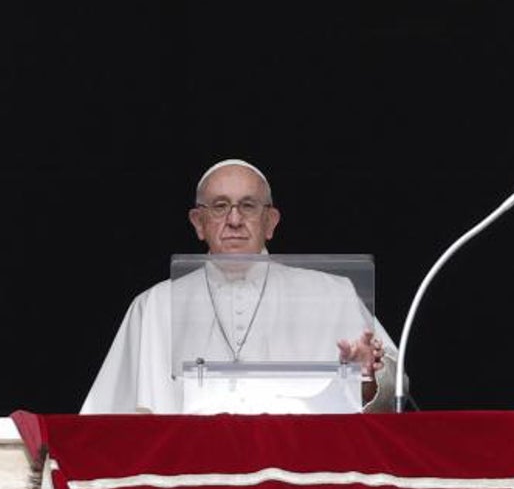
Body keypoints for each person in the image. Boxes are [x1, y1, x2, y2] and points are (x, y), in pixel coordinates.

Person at [81, 159, 399, 414]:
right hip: (195, 474)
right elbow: (108, 419)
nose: (234, 220)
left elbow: (392, 394)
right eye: (219, 206)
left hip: (298, 469)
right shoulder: (154, 306)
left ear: (271, 222)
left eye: (248, 205)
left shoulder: (331, 294)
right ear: (198, 223)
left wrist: (367, 378)